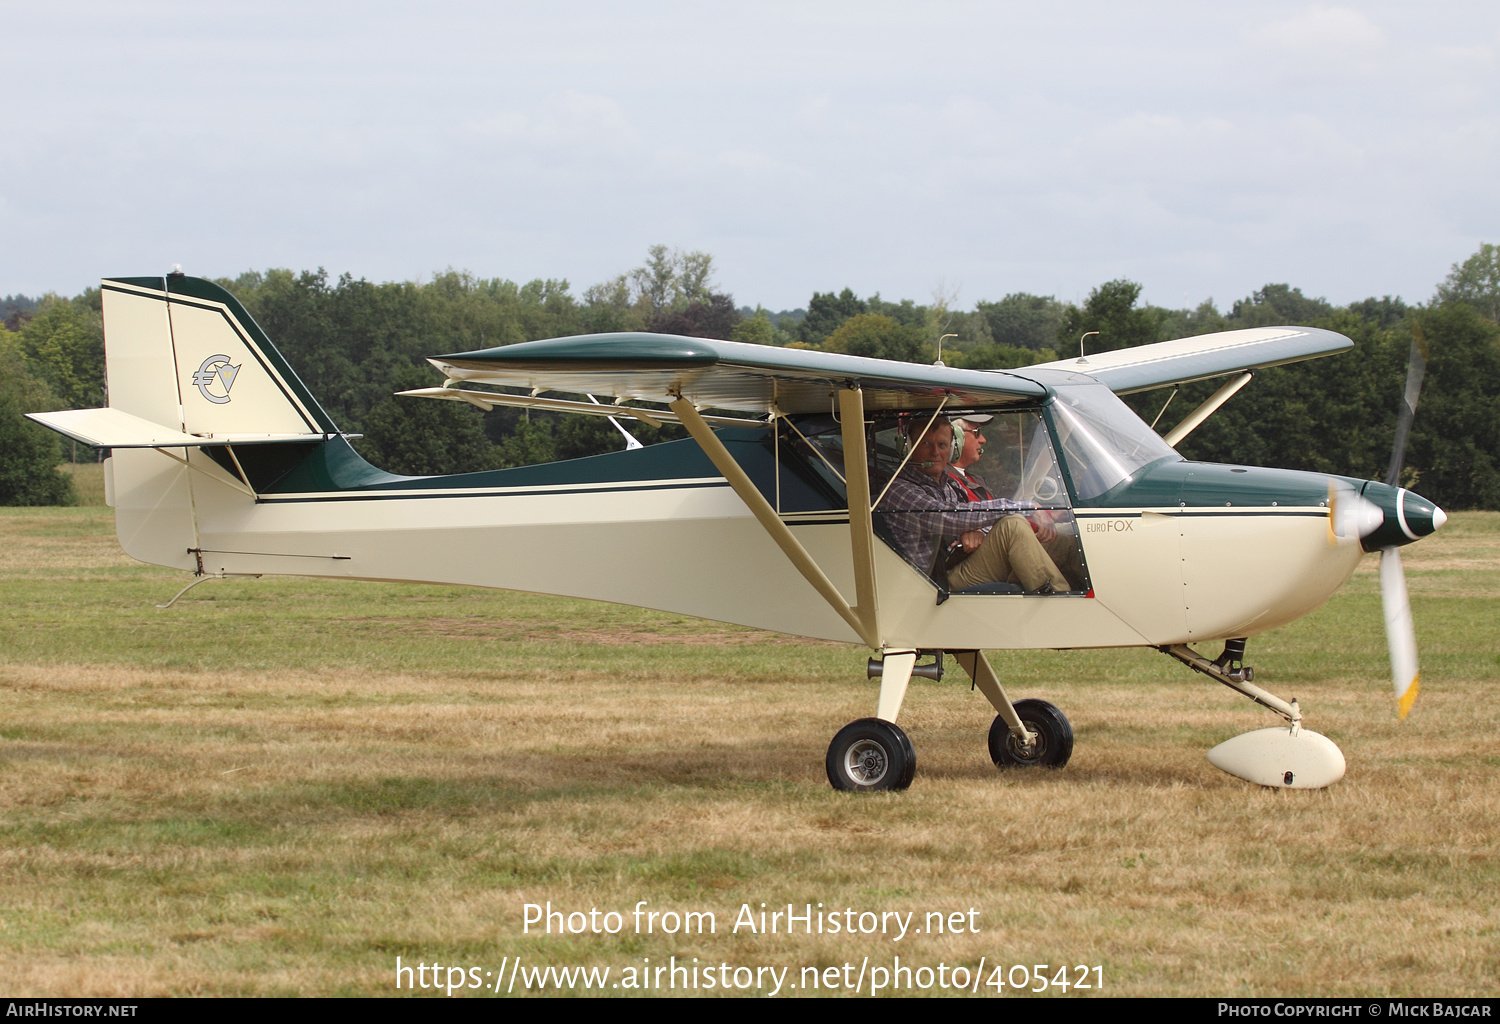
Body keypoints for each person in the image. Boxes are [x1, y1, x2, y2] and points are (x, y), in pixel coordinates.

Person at [877, 417, 1070, 593]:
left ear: (953, 450)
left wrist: (979, 532)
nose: (935, 452)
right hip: (935, 582)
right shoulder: (898, 490)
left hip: (963, 562)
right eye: (926, 444)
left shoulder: (949, 484)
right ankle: (1063, 603)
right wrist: (1026, 507)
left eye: (942, 444)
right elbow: (948, 517)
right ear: (908, 447)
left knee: (1065, 540)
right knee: (1013, 526)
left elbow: (977, 517)